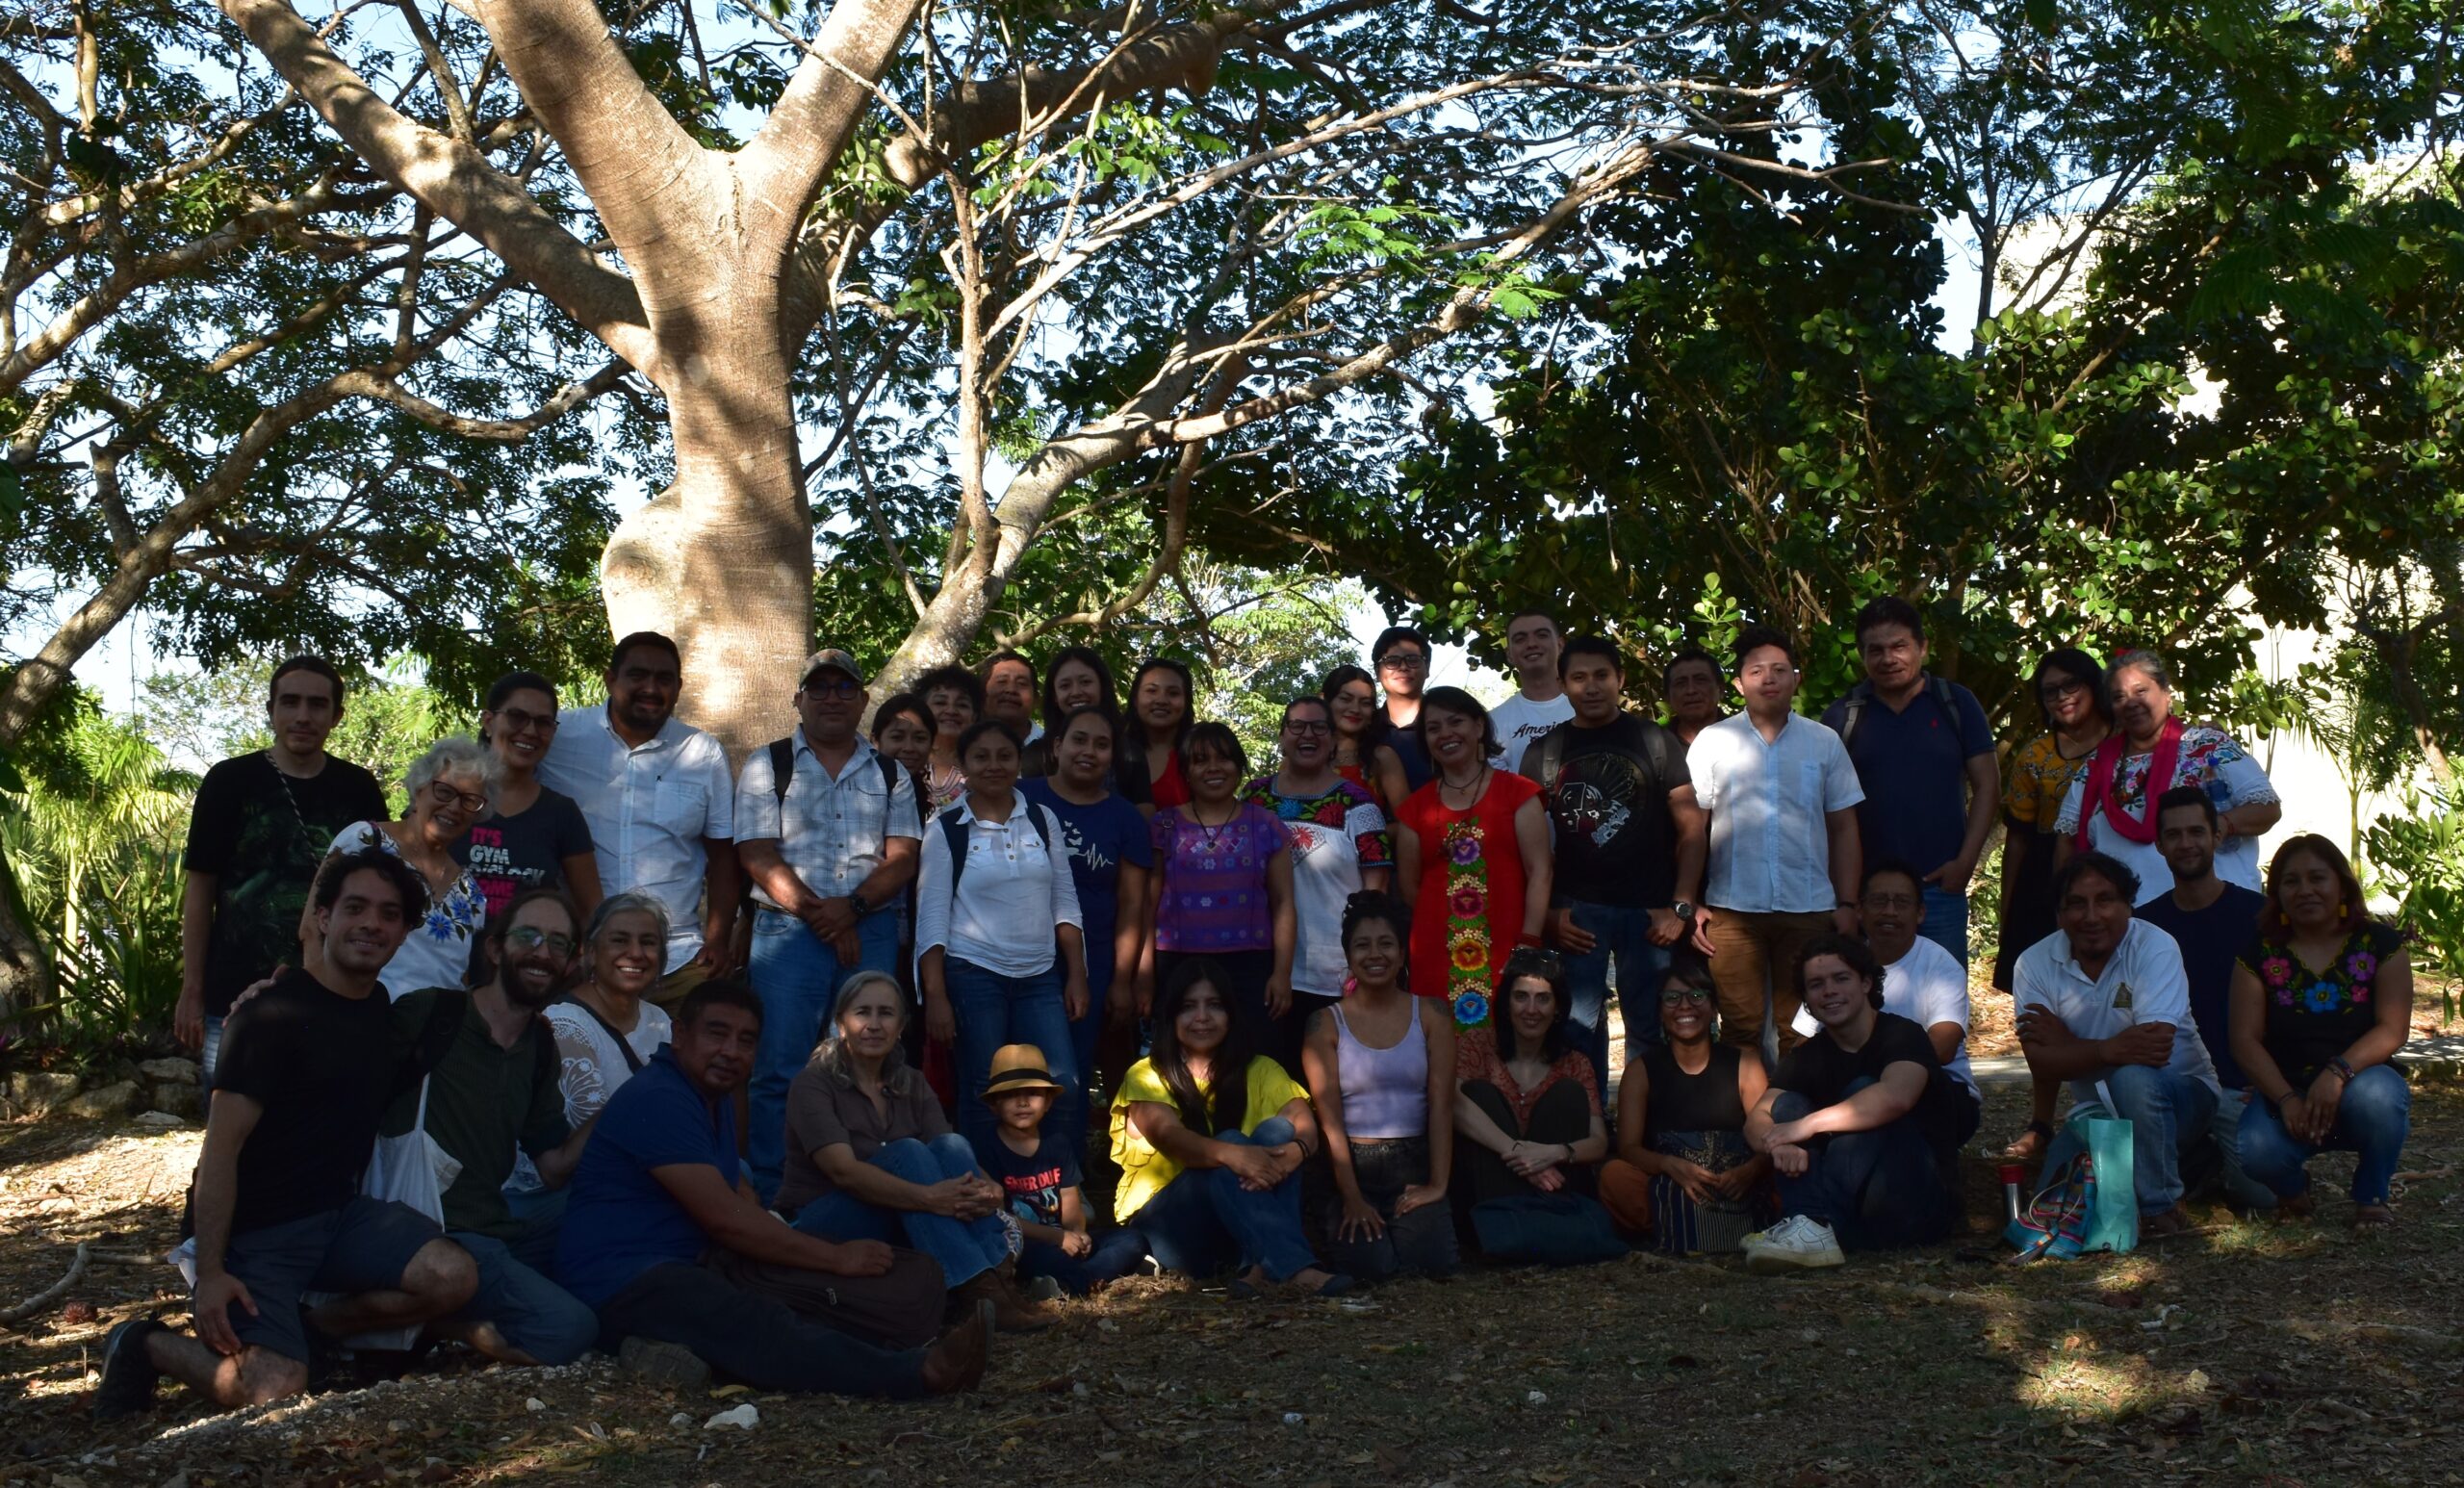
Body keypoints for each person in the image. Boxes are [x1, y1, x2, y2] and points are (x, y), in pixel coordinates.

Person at [96, 851, 477, 1419]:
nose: (372, 923)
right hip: (258, 1234)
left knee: (453, 1276)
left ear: (403, 933)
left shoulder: (378, 1008)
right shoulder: (268, 1016)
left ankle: (314, 1329)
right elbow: (220, 1150)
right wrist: (213, 1272)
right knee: (275, 1389)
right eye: (355, 908)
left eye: (389, 914)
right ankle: (146, 1344)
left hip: (340, 1219)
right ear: (322, 918)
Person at [554, 979, 990, 1397]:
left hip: (691, 1257)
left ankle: (969, 1291)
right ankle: (920, 1373)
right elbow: (729, 1222)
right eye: (717, 1034)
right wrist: (835, 1257)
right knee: (751, 1317)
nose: (731, 1051)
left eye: (746, 1041)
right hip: (621, 1278)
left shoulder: (711, 1095)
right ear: (680, 1035)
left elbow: (734, 1191)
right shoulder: (659, 1096)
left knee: (796, 1290)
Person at [380, 889, 601, 1365]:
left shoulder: (540, 1046)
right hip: (427, 1227)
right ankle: (445, 1323)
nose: (542, 952)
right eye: (529, 936)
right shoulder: (432, 1014)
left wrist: (624, 1107)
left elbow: (554, 1168)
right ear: (496, 949)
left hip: (495, 1223)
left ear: (570, 964)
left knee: (600, 1201)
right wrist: (280, 991)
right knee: (570, 1328)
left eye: (558, 944)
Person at [735, 648, 923, 1203]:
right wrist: (824, 914)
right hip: (786, 935)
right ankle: (778, 1194)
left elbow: (904, 857)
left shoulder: (891, 773)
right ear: (798, 699)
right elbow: (755, 851)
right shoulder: (766, 764)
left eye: (845, 688)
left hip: (871, 930)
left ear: (864, 700)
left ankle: (862, 1187)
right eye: (819, 688)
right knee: (778, 1070)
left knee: (865, 1061)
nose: (832, 698)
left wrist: (853, 910)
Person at [775, 973, 1053, 1330]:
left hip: (901, 1212)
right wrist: (928, 1198)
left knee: (950, 1145)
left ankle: (997, 1281)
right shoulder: (813, 1083)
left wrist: (990, 1189)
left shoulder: (912, 1082)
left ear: (902, 1026)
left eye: (886, 1014)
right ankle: (977, 1289)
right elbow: (842, 1170)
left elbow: (951, 1152)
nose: (874, 1025)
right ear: (840, 1024)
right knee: (908, 1153)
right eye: (863, 1013)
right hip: (824, 1220)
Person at [178, 655, 389, 1081]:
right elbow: (201, 888)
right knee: (229, 1128)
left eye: (317, 704)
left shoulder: (359, 788)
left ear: (336, 716)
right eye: (290, 703)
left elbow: (381, 890)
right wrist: (192, 990)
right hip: (234, 995)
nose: (303, 716)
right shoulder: (228, 781)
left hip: (333, 993)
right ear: (271, 710)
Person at [1522, 634, 1706, 1083]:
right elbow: (1525, 846)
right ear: (1563, 685)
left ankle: (1645, 1129)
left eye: (1601, 675)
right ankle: (1590, 1128)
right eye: (1579, 678)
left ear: (1620, 678)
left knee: (1651, 1027)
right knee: (1577, 1026)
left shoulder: (1654, 740)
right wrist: (1546, 914)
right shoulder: (1544, 751)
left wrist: (1681, 907)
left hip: (1651, 912)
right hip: (1577, 913)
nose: (1591, 687)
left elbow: (1692, 829)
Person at [2013, 853, 2224, 1238]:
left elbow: (2154, 1050)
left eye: (2105, 900)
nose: (2091, 916)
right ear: (2059, 915)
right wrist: (2109, 1049)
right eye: (2076, 904)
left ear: (2129, 906)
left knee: (2132, 1080)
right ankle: (2192, 1163)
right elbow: (2042, 1063)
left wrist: (2071, 1046)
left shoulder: (2154, 946)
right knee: (2049, 1205)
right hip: (2098, 1114)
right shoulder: (2034, 963)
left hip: (2183, 1096)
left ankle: (2159, 1208)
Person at [1111, 961, 1350, 1296]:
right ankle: (1296, 1268)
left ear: (1231, 1015)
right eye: (1189, 1007)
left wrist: (1294, 1153)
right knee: (1228, 1147)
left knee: (1279, 1133)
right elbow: (1173, 1139)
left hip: (1233, 1225)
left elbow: (1304, 1125)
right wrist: (1234, 1155)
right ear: (1171, 1016)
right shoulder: (1146, 1074)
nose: (1202, 1017)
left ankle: (1256, 1269)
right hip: (1167, 1228)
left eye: (1215, 1006)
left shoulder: (1260, 1068)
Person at [1739, 936, 1970, 1271]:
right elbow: (1758, 1116)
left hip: (1913, 1202)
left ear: (1865, 983)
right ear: (1807, 998)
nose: (1829, 991)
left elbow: (1895, 1098)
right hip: (1855, 1219)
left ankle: (1812, 1223)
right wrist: (1775, 1142)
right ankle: (1811, 1227)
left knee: (1864, 1090)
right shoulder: (1808, 1056)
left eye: (1841, 978)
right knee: (1787, 1105)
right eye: (1816, 984)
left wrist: (1802, 1127)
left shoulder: (1903, 1034)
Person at [1686, 626, 1862, 1056]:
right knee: (1740, 1031)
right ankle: (1744, 1122)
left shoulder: (1824, 743)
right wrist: (1685, 902)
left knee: (1804, 1030)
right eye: (1757, 670)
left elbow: (1844, 828)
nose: (1768, 679)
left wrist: (1847, 903)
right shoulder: (1713, 741)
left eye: (1779, 670)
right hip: (1731, 911)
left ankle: (1804, 1120)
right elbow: (1693, 828)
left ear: (1796, 679)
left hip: (1810, 907)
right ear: (1738, 682)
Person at [538, 631, 740, 1001]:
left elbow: (723, 857)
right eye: (638, 675)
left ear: (678, 688)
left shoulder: (703, 753)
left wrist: (717, 940)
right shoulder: (559, 738)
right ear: (610, 678)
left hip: (677, 961)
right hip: (576, 956)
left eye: (664, 679)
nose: (651, 688)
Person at [916, 720, 1090, 1147]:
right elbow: (932, 917)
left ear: (1019, 761)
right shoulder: (945, 828)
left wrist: (1077, 974)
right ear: (964, 765)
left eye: (1004, 756)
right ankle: (986, 1191)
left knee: (1061, 1080)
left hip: (1040, 975)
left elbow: (1064, 901)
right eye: (981, 757)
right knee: (983, 1088)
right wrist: (935, 995)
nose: (994, 766)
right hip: (973, 973)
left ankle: (1060, 1183)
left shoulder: (1040, 817)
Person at [2230, 836, 2414, 1228]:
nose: (2305, 890)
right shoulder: (2259, 954)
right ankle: (2295, 1193)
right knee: (2254, 1148)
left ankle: (2372, 1194)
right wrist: (2285, 1099)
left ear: (2342, 885)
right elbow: (2244, 1039)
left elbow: (2393, 1029)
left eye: (2318, 878)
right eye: (2291, 881)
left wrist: (2336, 1074)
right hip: (2288, 1089)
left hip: (2359, 1084)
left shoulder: (2381, 944)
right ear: (2276, 893)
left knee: (2382, 1096)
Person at [1818, 598, 1999, 966]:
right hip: (1866, 896)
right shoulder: (1843, 716)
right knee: (1864, 1007)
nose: (1888, 658)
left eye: (1899, 646)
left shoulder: (1956, 703)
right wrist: (1846, 899)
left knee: (1942, 1007)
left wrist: (1965, 863)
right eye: (1876, 650)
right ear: (1862, 655)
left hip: (1938, 889)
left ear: (1923, 647)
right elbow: (1827, 813)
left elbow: (1988, 786)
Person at [2120, 787, 2273, 1210]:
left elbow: (2286, 1009)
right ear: (2160, 845)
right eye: (2174, 835)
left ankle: (2213, 1162)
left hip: (2242, 1089)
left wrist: (2272, 1083)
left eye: (2196, 832)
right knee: (2122, 1192)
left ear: (2216, 837)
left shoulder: (2258, 916)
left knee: (2264, 1197)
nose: (2186, 844)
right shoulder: (2142, 926)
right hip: (2174, 1089)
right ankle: (2196, 1161)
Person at [1299, 891, 1458, 1282]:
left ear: (1402, 953)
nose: (1376, 955)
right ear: (1349, 957)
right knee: (1372, 1270)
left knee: (1433, 1264)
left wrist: (1437, 1184)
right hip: (1352, 1164)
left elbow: (1440, 1105)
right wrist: (1351, 1196)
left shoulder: (1433, 1013)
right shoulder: (1324, 1023)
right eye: (1363, 945)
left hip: (1413, 1162)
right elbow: (1330, 1119)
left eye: (1386, 944)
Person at [504, 892, 676, 1230]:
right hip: (553, 1198)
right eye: (620, 940)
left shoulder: (660, 1021)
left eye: (649, 942)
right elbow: (588, 1154)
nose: (637, 953)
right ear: (592, 953)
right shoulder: (564, 1025)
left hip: (632, 1176)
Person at [1020, 705, 1153, 1136]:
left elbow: (1133, 906)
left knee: (1070, 1071)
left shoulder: (1126, 819)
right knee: (1017, 1066)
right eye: (1079, 740)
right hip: (1017, 956)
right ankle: (1015, 1178)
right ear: (1057, 746)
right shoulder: (1022, 797)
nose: (1089, 751)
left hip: (1093, 962)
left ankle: (1067, 1176)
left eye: (1101, 744)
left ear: (1113, 756)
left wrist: (1121, 980)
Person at [2055, 650, 2282, 898]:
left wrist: (2217, 825)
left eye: (2141, 691)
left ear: (2165, 692)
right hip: (2128, 926)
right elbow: (2067, 842)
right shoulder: (2096, 767)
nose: (2131, 702)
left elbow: (2267, 809)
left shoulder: (2208, 745)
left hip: (2217, 909)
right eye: (2119, 696)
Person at [1393, 687, 1551, 1032]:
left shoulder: (1518, 793)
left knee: (1509, 1049)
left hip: (1509, 947)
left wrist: (1528, 944)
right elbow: (1409, 887)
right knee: (1439, 1053)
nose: (1446, 734)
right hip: (1436, 952)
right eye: (1433, 728)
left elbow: (1540, 872)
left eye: (1456, 722)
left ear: (1479, 727)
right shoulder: (1413, 810)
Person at [1140, 722, 1297, 1060]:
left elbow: (1283, 903)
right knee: (1179, 1066)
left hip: (1251, 966)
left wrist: (1282, 973)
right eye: (1200, 760)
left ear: (1239, 766)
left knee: (1254, 1062)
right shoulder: (1164, 826)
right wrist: (1144, 975)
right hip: (1176, 965)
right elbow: (1147, 904)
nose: (1213, 767)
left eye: (1224, 758)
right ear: (1185, 771)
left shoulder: (1267, 825)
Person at [1600, 957, 1773, 1253]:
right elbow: (1628, 1148)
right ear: (1659, 1010)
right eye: (1672, 998)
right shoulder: (1641, 1070)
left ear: (1714, 1007)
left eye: (1696, 996)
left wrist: (1749, 1171)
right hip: (1671, 1186)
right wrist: (1669, 1165)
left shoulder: (1745, 1063)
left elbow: (1771, 1139)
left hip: (1736, 1183)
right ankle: (1680, 1225)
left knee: (1789, 1172)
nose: (1684, 1006)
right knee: (1615, 1178)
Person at [1244, 697, 1392, 1033]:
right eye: (1296, 725)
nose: (1307, 734)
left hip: (1335, 972)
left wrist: (1362, 964)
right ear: (1282, 737)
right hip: (1263, 966)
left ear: (1333, 740)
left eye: (1319, 727)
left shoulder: (1359, 802)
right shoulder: (1254, 799)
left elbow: (1377, 891)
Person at [315, 737, 497, 997]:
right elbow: (312, 929)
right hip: (353, 1018)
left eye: (470, 800)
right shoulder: (365, 839)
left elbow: (459, 976)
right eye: (444, 791)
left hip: (432, 1033)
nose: (455, 807)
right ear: (419, 788)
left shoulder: (472, 895)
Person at [973, 1043, 1151, 1296]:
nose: (1023, 1102)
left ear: (1048, 1103)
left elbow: (1070, 1200)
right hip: (1022, 1242)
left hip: (1063, 1239)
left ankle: (1074, 1282)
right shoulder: (987, 1149)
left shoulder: (1057, 1144)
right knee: (1039, 1258)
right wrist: (1057, 1239)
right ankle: (1088, 1278)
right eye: (1012, 1095)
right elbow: (1000, 1218)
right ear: (994, 1104)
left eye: (1033, 1093)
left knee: (1133, 1239)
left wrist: (1077, 1233)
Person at [1452, 951, 1610, 1213]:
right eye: (1521, 997)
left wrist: (1555, 1153)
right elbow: (1452, 1104)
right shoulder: (1477, 1045)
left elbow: (1598, 1142)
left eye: (1543, 999)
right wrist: (1517, 1153)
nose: (1531, 1010)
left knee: (1568, 1094)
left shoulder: (1575, 1063)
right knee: (1478, 1093)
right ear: (1506, 1004)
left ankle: (1545, 1222)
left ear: (1558, 1007)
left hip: (1551, 1189)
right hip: (1488, 1191)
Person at [1995, 648, 2112, 994]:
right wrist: (2008, 909)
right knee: (2049, 993)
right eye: (2050, 691)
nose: (2062, 697)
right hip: (2045, 879)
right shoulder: (2035, 755)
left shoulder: (2127, 743)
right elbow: (2018, 840)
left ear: (2093, 686)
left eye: (2071, 685)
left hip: (2118, 870)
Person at [459, 671, 603, 931]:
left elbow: (592, 911)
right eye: (517, 717)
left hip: (527, 965)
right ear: (488, 722)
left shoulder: (561, 813)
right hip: (440, 965)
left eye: (543, 723)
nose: (530, 731)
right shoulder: (448, 796)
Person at [1020, 647, 1142, 798]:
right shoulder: (1035, 755)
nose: (1076, 692)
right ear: (1055, 697)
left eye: (1085, 682)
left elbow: (1141, 814)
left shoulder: (1130, 753)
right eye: (1065, 686)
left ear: (1102, 687)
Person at [1486, 609, 1573, 774]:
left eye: (1542, 635)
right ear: (1509, 654)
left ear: (1560, 645)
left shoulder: (1589, 707)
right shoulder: (1493, 723)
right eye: (1520, 639)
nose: (1531, 644)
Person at [1321, 663, 1407, 808]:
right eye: (1345, 699)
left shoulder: (1381, 757)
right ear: (1325, 701)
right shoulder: (1306, 755)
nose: (1355, 709)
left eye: (1365, 703)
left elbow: (1408, 823)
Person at [1118, 655, 1197, 811]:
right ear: (1135, 699)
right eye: (1151, 691)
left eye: (1173, 693)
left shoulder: (1199, 755)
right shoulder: (1109, 750)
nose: (1161, 700)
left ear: (1186, 702)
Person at [1369, 625, 1438, 803]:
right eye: (1392, 661)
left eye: (1413, 660)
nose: (1403, 667)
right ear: (1377, 672)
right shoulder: (1365, 728)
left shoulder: (1446, 725)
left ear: (1427, 667)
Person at [914, 663, 985, 811]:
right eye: (940, 702)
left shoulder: (985, 767)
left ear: (975, 716)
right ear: (922, 711)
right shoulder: (906, 761)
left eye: (962, 705)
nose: (951, 710)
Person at [1661, 646, 1727, 751]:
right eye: (1681, 683)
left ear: (1721, 690)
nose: (1691, 691)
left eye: (1700, 680)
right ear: (1667, 697)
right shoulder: (1653, 747)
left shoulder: (1747, 738)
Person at [981, 651, 1042, 748]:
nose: (1011, 690)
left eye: (1021, 683)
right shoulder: (960, 744)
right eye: (1002, 681)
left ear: (1036, 699)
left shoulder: (1055, 750)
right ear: (981, 693)